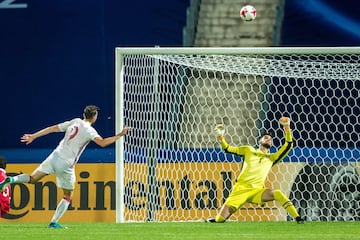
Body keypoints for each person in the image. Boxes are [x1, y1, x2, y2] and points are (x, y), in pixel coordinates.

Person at [0, 105, 131, 228]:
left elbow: (52, 129)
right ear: (95, 117)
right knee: (68, 194)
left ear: (83, 114)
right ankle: (53, 222)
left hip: (55, 155)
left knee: (33, 178)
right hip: (66, 163)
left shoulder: (75, 121)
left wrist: (33, 136)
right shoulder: (90, 130)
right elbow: (102, 143)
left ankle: (11, 180)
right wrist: (120, 135)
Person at [206, 117, 304, 224]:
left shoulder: (272, 158)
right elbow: (227, 149)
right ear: (260, 141)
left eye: (271, 139)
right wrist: (220, 136)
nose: (269, 139)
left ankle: (298, 218)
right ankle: (216, 219)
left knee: (278, 193)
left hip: (257, 191)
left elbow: (289, 145)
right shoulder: (248, 150)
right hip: (240, 190)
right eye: (266, 137)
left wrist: (287, 127)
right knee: (219, 220)